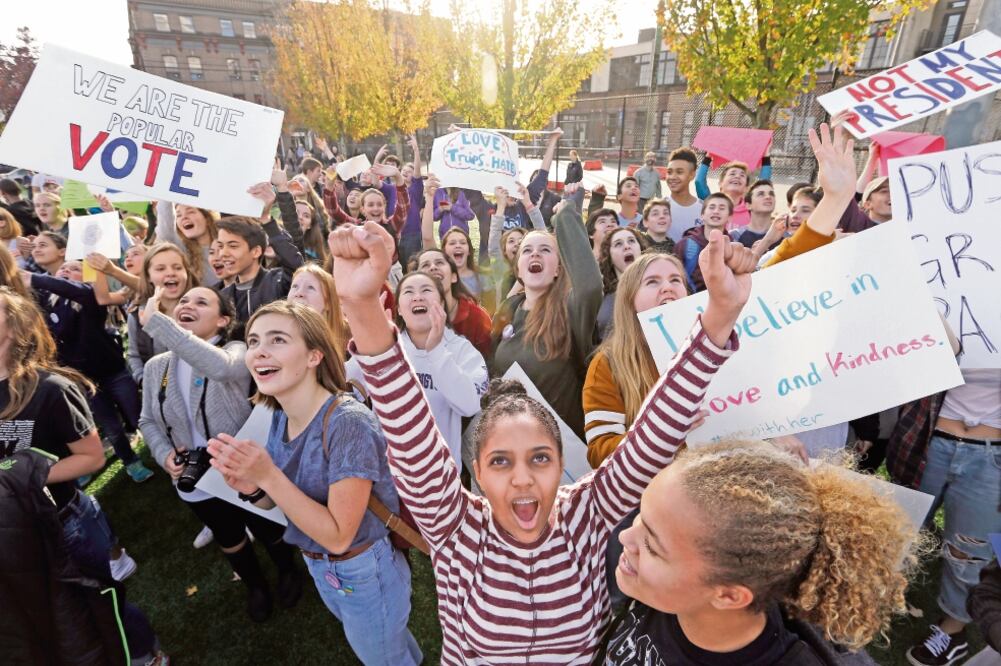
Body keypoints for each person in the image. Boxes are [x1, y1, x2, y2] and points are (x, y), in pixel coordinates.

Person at [328, 212, 754, 663]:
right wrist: (360, 306)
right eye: (500, 462)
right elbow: (411, 435)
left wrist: (720, 315)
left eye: (539, 458)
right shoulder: (454, 525)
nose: (522, 479)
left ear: (561, 465)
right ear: (475, 472)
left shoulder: (586, 514)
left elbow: (651, 437)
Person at [207, 300, 422, 665]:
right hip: (321, 565)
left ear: (314, 356)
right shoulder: (279, 413)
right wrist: (254, 489)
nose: (259, 351)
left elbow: (339, 536)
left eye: (277, 340)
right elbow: (279, 502)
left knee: (382, 657)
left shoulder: (347, 424)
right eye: (254, 340)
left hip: (360, 569)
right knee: (388, 647)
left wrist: (268, 475)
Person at [601, 440, 920, 665]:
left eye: (652, 547)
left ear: (728, 596)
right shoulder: (666, 594)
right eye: (641, 518)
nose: (626, 536)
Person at [0, 287, 165, 664]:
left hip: (62, 523)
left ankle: (148, 655)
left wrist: (24, 478)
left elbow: (90, 458)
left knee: (100, 602)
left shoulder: (49, 389)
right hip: (12, 529)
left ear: (14, 325)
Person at [138, 284, 302, 622]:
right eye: (183, 301)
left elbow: (220, 369)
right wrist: (164, 452)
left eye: (202, 302)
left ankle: (288, 570)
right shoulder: (156, 367)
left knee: (267, 523)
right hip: (195, 475)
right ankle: (255, 586)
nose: (188, 305)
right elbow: (147, 419)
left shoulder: (237, 351)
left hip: (242, 468)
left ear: (222, 320)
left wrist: (159, 323)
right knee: (228, 534)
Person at [894, 368, 1001, 666]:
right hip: (930, 440)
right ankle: (866, 600)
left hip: (992, 458)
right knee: (895, 529)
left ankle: (951, 633)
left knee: (969, 552)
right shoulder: (943, 317)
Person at [25, 257, 155, 484]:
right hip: (84, 382)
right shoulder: (46, 304)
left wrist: (35, 278)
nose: (66, 270)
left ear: (86, 277)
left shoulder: (89, 297)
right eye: (63, 269)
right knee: (111, 427)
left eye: (75, 269)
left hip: (114, 372)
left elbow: (82, 292)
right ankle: (131, 462)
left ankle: (159, 449)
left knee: (137, 415)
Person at [348, 271, 488, 466]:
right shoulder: (387, 346)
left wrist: (436, 352)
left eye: (426, 290)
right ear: (399, 309)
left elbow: (470, 405)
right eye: (408, 291)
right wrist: (371, 339)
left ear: (441, 304)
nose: (417, 296)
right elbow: (345, 387)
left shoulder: (461, 349)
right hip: (386, 477)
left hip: (440, 477)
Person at [490, 200, 603, 439]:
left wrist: (565, 217)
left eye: (545, 249)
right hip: (515, 438)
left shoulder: (569, 308)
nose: (535, 253)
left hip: (563, 445)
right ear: (518, 269)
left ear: (558, 270)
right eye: (527, 250)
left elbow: (590, 286)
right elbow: (492, 366)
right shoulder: (508, 308)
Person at [584, 253, 688, 467]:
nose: (668, 287)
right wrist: (664, 434)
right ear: (629, 299)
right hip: (657, 494)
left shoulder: (712, 345)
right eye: (652, 282)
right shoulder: (608, 363)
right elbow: (599, 453)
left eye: (676, 279)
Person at [127, 243, 198, 384]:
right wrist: (143, 379)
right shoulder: (137, 314)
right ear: (148, 276)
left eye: (177, 267)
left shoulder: (201, 309)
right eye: (160, 269)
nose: (170, 272)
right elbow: (134, 356)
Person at [414, 248, 493, 359]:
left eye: (439, 262)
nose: (433, 267)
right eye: (425, 265)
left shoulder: (477, 317)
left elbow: (488, 362)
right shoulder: (409, 316)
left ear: (454, 277)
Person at [596, 227, 648, 342]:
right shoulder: (600, 298)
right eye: (618, 244)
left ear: (641, 249)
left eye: (631, 241)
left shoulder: (660, 289)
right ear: (609, 255)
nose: (627, 246)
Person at [288, 264, 351, 360]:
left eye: (310, 287)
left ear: (328, 303)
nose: (299, 293)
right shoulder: (274, 335)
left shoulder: (349, 345)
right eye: (295, 286)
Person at [695, 155, 773, 230]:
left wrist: (766, 157)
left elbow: (763, 185)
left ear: (746, 188)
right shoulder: (713, 205)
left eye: (742, 175)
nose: (737, 176)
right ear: (721, 183)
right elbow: (699, 182)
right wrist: (708, 158)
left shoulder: (751, 209)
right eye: (732, 174)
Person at [675, 193, 733, 292]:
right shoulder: (684, 245)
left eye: (722, 208)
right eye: (712, 207)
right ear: (702, 215)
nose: (716, 211)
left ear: (729, 217)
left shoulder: (733, 247)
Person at [154, 201, 219, 286]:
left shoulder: (227, 245)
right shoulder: (182, 250)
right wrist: (166, 195)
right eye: (178, 215)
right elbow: (165, 226)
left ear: (207, 219)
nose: (184, 217)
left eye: (190, 212)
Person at [665, 147, 703, 243]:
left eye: (679, 172)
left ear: (692, 175)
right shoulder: (658, 207)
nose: (672, 177)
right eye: (669, 172)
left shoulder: (704, 209)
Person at [731, 180, 779, 249]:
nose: (768, 197)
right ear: (748, 205)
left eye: (771, 194)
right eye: (761, 194)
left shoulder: (785, 236)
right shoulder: (735, 235)